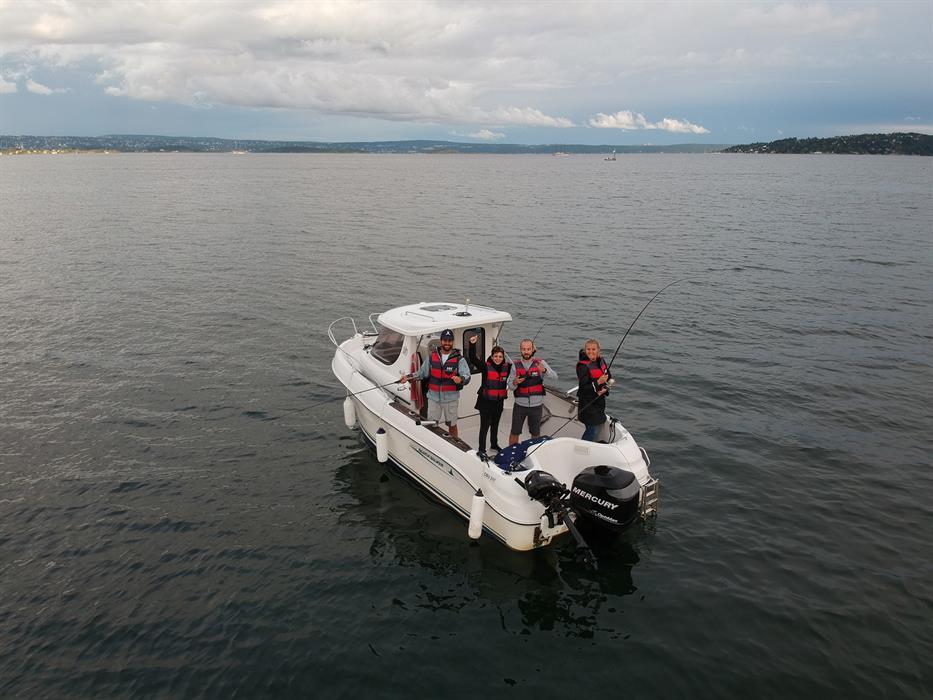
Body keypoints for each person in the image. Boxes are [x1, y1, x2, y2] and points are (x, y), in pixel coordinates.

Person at [400, 329, 470, 439]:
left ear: (452, 342)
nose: (447, 343)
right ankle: (433, 442)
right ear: (441, 341)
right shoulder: (432, 357)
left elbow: (467, 376)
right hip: (433, 398)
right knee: (432, 424)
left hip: (451, 399)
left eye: (449, 341)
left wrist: (460, 379)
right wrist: (408, 377)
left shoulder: (459, 359)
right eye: (445, 340)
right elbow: (422, 373)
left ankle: (455, 444)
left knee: (452, 425)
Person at [507, 339, 557, 445]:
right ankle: (511, 454)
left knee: (535, 433)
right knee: (515, 432)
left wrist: (544, 371)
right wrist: (515, 382)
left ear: (532, 350)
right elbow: (511, 387)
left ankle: (533, 454)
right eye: (524, 349)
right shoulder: (515, 366)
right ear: (520, 350)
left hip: (536, 406)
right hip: (520, 406)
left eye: (528, 349)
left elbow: (554, 377)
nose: (526, 351)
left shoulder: (540, 363)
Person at [472, 339, 511, 453]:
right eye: (495, 356)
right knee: (485, 426)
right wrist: (472, 344)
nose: (498, 359)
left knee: (495, 425)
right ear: (492, 356)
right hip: (485, 401)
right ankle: (481, 450)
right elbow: (473, 359)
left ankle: (494, 445)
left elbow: (518, 369)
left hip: (498, 402)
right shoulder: (485, 366)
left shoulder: (507, 367)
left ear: (503, 357)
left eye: (500, 356)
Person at [576, 339, 611, 441]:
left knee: (596, 427)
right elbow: (584, 386)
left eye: (593, 349)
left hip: (599, 402)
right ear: (585, 350)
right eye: (588, 349)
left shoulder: (601, 361)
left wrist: (605, 388)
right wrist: (598, 382)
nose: (591, 352)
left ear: (598, 350)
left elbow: (609, 377)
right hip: (587, 403)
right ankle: (583, 448)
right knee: (592, 430)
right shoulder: (582, 366)